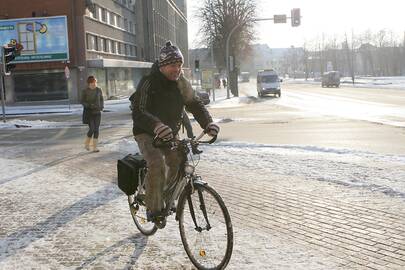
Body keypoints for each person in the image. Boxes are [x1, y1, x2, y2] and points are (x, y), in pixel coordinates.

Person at [129, 41, 219, 227]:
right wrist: (156, 125)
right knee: (157, 163)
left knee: (177, 161)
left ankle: (166, 199)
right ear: (162, 66)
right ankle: (154, 209)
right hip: (146, 132)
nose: (177, 69)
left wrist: (208, 123)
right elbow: (139, 111)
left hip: (170, 133)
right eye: (172, 65)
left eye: (179, 65)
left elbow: (194, 103)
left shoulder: (181, 82)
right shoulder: (148, 82)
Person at [81, 76, 104, 152]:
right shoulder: (85, 91)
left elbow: (101, 99)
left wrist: (101, 106)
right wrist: (89, 105)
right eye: (91, 83)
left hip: (97, 113)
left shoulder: (99, 90)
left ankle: (95, 147)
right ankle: (87, 144)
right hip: (89, 113)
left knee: (96, 129)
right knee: (92, 129)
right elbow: (82, 101)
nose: (93, 84)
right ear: (88, 84)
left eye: (94, 82)